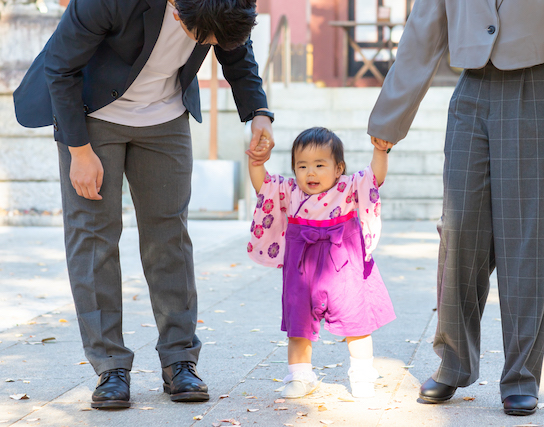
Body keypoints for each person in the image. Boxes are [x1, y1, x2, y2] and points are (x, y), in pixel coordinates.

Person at [13, 0, 275, 409]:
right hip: (93, 114)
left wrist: (258, 112)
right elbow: (60, 67)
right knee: (93, 237)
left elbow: (235, 48)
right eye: (202, 37)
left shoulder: (218, 7)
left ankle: (179, 360)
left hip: (166, 120)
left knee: (170, 235)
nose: (207, 45)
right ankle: (110, 366)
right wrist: (79, 151)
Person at [368, 0, 544, 416]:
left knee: (530, 241)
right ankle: (454, 362)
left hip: (541, 88)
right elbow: (424, 26)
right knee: (459, 229)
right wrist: (390, 119)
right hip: (472, 92)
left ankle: (521, 375)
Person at [246, 127, 396, 399]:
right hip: (302, 265)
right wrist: (257, 163)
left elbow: (375, 176)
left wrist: (380, 150)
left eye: (319, 165)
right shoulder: (289, 191)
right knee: (298, 322)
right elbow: (263, 185)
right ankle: (301, 375)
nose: (310, 173)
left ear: (338, 168)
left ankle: (362, 374)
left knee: (355, 320)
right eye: (301, 166)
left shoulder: (348, 187)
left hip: (343, 262)